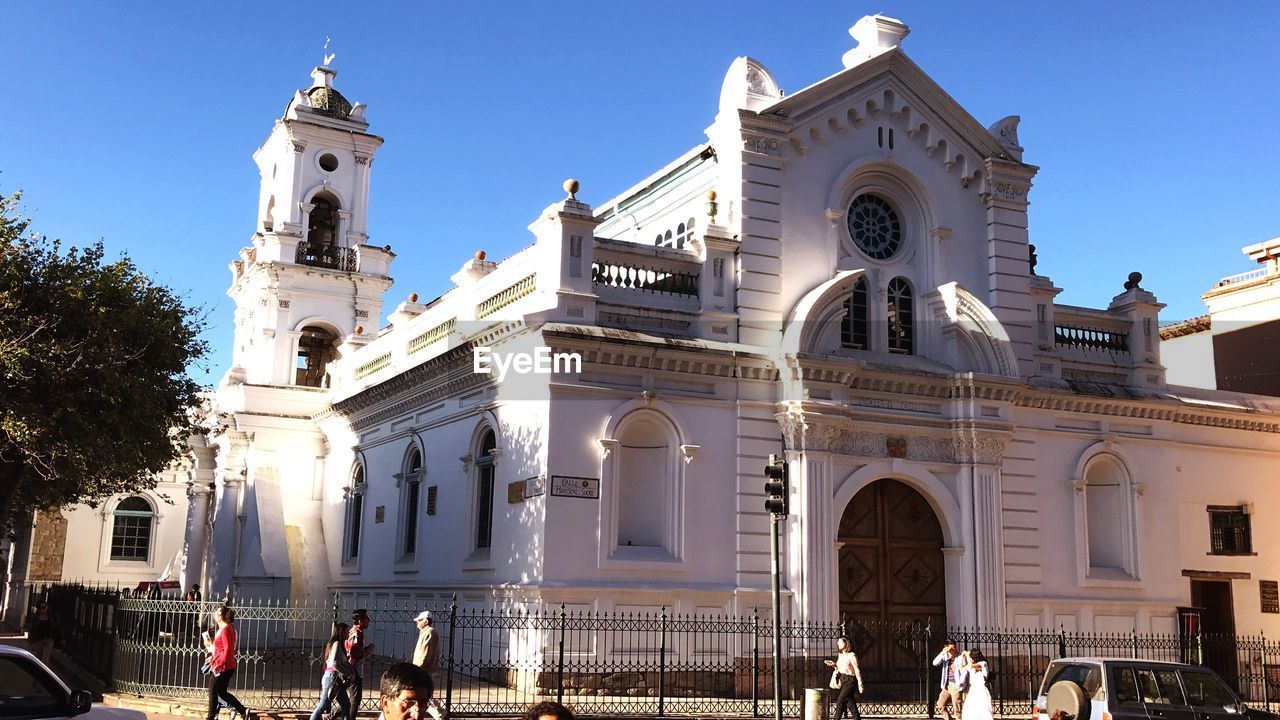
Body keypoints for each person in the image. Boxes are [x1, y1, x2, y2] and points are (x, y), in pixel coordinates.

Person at [203, 606, 250, 720]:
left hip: (224, 666)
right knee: (221, 692)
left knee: (213, 691)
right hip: (224, 664)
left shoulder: (226, 630)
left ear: (221, 616)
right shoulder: (223, 628)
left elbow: (228, 650)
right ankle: (242, 710)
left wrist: (219, 664)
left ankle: (211, 717)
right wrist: (212, 658)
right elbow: (221, 649)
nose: (215, 615)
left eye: (217, 613)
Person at [309, 622, 354, 720]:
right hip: (331, 678)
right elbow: (335, 663)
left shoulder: (339, 644)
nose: (348, 633)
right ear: (341, 632)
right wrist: (349, 674)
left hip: (335, 679)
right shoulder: (337, 643)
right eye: (347, 631)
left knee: (346, 705)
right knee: (323, 706)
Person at [823, 635, 864, 720]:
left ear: (846, 643)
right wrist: (834, 665)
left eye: (840, 642)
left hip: (850, 681)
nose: (838, 643)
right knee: (851, 704)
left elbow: (857, 670)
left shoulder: (852, 655)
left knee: (839, 703)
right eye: (838, 641)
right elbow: (839, 667)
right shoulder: (841, 655)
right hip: (843, 680)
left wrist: (860, 684)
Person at [346, 609, 376, 716]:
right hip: (354, 670)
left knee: (355, 698)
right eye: (366, 618)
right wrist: (366, 651)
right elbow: (353, 652)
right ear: (360, 621)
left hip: (356, 669)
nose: (369, 620)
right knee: (355, 699)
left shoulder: (359, 633)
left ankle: (334, 715)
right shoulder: (356, 633)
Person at [932, 639, 965, 720]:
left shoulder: (960, 658)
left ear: (955, 647)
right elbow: (934, 663)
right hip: (946, 685)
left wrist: (961, 683)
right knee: (940, 704)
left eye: (952, 649)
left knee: (957, 709)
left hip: (955, 685)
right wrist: (943, 652)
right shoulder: (945, 657)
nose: (950, 652)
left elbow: (964, 671)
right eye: (949, 650)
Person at [959, 650, 993, 720]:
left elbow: (972, 666)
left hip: (981, 690)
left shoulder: (983, 664)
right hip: (973, 690)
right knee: (970, 709)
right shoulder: (972, 666)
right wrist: (963, 657)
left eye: (971, 657)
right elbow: (961, 667)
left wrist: (968, 655)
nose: (970, 659)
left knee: (983, 709)